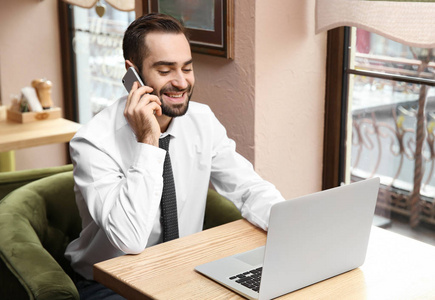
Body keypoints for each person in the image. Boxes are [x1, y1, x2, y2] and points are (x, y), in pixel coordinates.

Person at [65, 13, 285, 299]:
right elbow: (129, 239)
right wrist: (148, 141)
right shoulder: (93, 142)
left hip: (181, 269)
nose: (181, 82)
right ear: (133, 73)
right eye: (165, 70)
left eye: (187, 68)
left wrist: (293, 228)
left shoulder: (202, 120)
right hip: (108, 281)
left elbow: (248, 189)